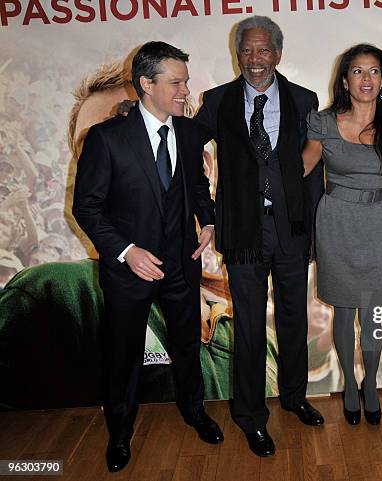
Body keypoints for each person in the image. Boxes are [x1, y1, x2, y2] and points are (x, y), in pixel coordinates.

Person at [72, 41, 223, 473]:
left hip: (180, 266)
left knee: (188, 346)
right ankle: (120, 434)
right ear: (146, 84)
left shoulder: (192, 132)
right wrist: (126, 250)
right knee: (122, 355)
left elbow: (196, 187)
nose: (185, 91)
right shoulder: (106, 138)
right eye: (176, 83)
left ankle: (194, 411)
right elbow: (87, 207)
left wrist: (207, 222)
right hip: (128, 272)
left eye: (186, 82)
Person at [194, 15, 325, 457]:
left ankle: (294, 397)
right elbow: (188, 156)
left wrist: (310, 229)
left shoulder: (304, 99)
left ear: (278, 54)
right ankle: (251, 417)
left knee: (293, 320)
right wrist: (208, 214)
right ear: (238, 55)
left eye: (263, 50)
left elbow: (313, 171)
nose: (254, 59)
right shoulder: (216, 102)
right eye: (246, 50)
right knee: (248, 326)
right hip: (243, 232)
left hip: (289, 229)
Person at [302, 44, 382, 426]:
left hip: (377, 220)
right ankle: (348, 383)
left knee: (372, 311)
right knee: (344, 309)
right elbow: (304, 167)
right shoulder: (324, 122)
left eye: (374, 71)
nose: (366, 79)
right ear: (345, 79)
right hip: (336, 221)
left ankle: (372, 384)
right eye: (357, 71)